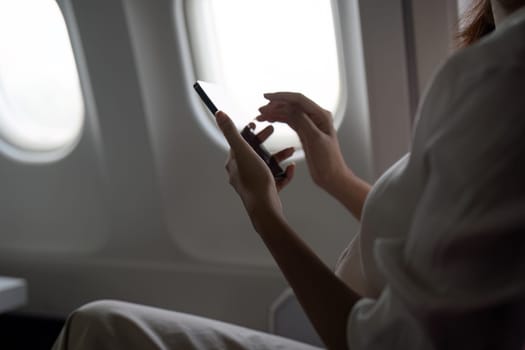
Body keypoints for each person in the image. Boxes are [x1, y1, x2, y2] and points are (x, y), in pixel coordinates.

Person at [52, 0, 525, 349]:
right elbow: (448, 241)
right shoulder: (492, 60)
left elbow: (386, 343)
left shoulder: (501, 78)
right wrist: (335, 177)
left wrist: (265, 215)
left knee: (100, 328)